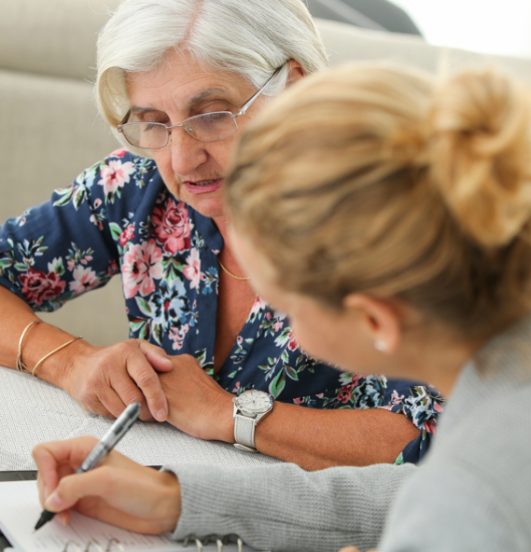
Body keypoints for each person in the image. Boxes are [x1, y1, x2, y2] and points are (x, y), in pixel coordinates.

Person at [33, 63, 531, 552]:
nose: (293, 338)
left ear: (376, 321)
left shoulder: (473, 502)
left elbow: (462, 500)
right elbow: (426, 489)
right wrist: (181, 498)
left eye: (291, 311)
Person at [0, 0, 441, 469]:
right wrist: (72, 362)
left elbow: (436, 438)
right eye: (154, 122)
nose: (182, 159)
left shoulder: (392, 219)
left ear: (294, 86)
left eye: (211, 115)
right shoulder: (136, 185)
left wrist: (227, 415)